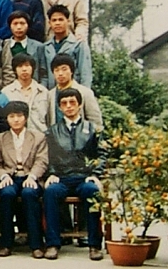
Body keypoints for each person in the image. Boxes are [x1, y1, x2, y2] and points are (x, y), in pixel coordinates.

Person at [42, 88, 105, 261]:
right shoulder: (52, 131)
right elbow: (48, 155)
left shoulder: (92, 129)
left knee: (92, 191)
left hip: (84, 176)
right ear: (59, 107)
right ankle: (53, 244)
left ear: (79, 105)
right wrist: (51, 173)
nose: (69, 106)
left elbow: (102, 154)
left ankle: (94, 245)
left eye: (72, 102)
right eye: (64, 103)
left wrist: (95, 174)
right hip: (62, 177)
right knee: (50, 192)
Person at [0, 101, 48, 258]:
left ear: (26, 118)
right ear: (7, 119)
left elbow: (41, 161)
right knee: (7, 194)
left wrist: (32, 176)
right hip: (9, 177)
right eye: (11, 116)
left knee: (29, 193)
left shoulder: (38, 137)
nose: (16, 120)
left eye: (19, 116)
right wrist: (3, 176)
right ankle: (6, 243)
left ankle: (36, 244)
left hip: (30, 175)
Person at [46, 54, 103, 130]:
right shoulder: (50, 95)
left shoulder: (85, 92)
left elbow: (95, 121)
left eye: (64, 69)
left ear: (71, 71)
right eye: (56, 70)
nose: (60, 73)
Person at [43, 5, 93, 89]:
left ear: (68, 21)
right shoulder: (45, 46)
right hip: (53, 91)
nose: (57, 23)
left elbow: (85, 74)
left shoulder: (78, 45)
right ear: (49, 23)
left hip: (73, 92)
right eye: (54, 20)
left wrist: (84, 93)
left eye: (61, 19)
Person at [0, 10, 47, 87]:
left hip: (33, 89)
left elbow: (43, 73)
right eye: (15, 24)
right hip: (8, 88)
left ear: (28, 25)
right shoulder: (2, 45)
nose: (19, 27)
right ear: (10, 26)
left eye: (22, 23)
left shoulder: (38, 46)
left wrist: (40, 89)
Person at [4, 53, 50, 133]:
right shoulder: (6, 92)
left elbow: (50, 118)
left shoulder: (43, 91)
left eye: (27, 65)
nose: (24, 69)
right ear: (15, 70)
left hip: (40, 135)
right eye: (20, 66)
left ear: (33, 68)